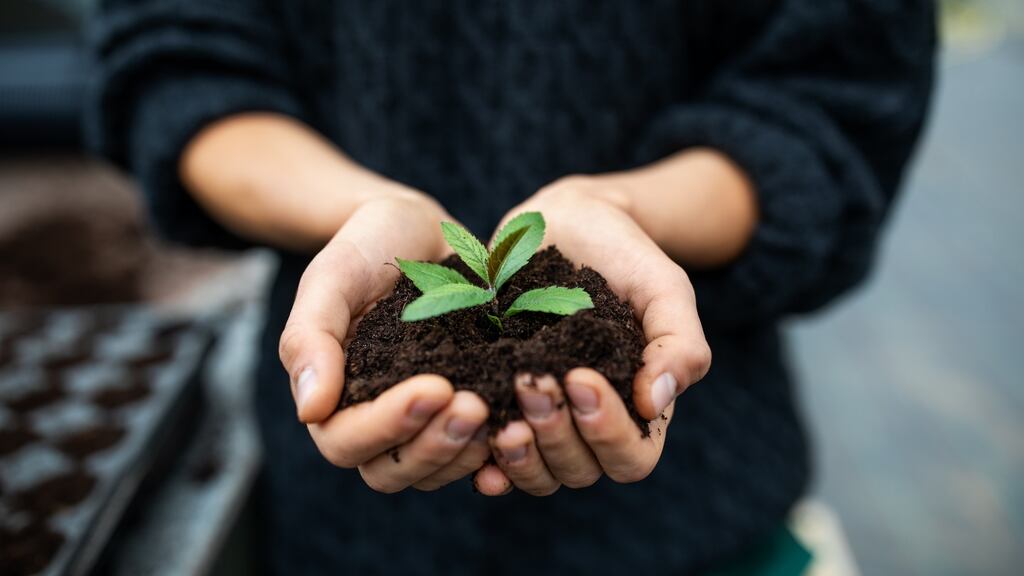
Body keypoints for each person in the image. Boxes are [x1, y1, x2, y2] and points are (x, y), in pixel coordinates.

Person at [88, 1, 935, 574]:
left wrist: (623, 206)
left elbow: (833, 92)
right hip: (334, 533)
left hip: (702, 517)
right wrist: (360, 211)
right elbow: (178, 59)